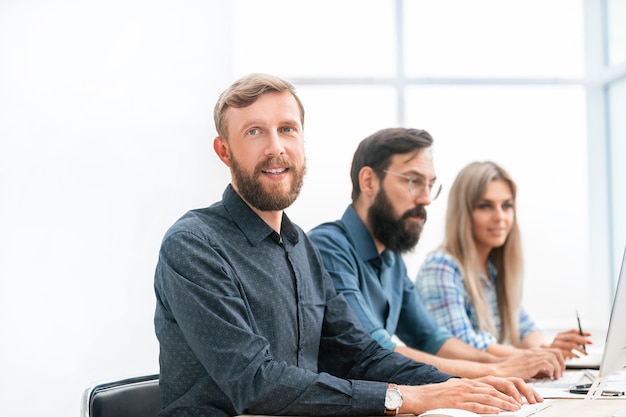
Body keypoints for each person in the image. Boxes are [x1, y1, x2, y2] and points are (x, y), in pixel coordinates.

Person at [153, 74, 541, 417]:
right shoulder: (194, 245)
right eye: (255, 132)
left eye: (287, 129)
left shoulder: (300, 247)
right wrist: (406, 398)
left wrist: (460, 386)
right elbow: (255, 381)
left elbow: (362, 354)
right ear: (224, 151)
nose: (276, 147)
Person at [308, 128, 565, 382]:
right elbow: (375, 348)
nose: (426, 199)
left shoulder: (392, 260)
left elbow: (431, 338)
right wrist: (496, 371)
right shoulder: (328, 247)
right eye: (413, 181)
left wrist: (508, 363)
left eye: (430, 185)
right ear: (369, 182)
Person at [415, 161, 591, 360]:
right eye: (485, 206)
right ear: (463, 214)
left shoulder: (493, 270)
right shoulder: (441, 267)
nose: (500, 217)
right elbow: (462, 346)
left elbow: (525, 329)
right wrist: (538, 355)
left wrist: (548, 350)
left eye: (507, 206)